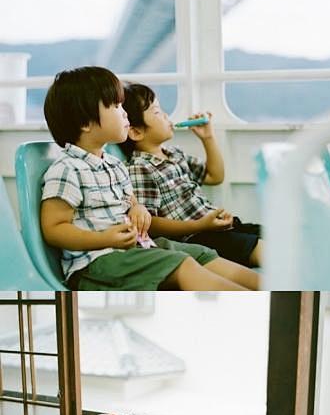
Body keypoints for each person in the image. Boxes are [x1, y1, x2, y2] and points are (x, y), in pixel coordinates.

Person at [41, 69, 260, 290]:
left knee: (202, 255)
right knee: (184, 264)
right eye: (116, 106)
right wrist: (104, 239)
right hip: (97, 263)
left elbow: (131, 202)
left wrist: (138, 210)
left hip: (133, 248)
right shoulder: (67, 168)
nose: (124, 113)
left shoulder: (114, 164)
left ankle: (272, 292)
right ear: (85, 123)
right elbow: (54, 228)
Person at [121, 84, 262, 270]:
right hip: (198, 237)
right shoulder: (139, 168)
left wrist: (208, 138)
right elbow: (151, 223)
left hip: (218, 226)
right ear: (136, 132)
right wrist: (199, 225)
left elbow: (215, 176)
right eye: (157, 112)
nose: (165, 116)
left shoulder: (173, 154)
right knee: (271, 252)